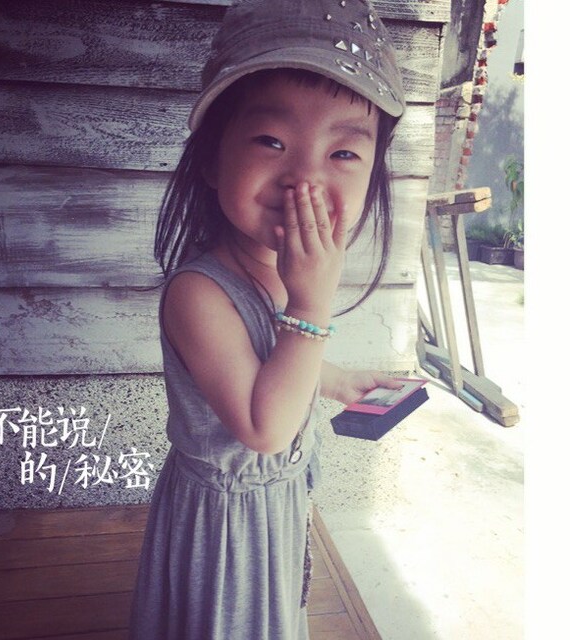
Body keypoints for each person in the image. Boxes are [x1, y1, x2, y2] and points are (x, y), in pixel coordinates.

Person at [129, 0, 406, 638]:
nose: (303, 177)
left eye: (344, 153)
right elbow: (265, 426)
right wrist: (310, 306)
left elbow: (273, 363)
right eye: (272, 141)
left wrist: (340, 380)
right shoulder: (198, 294)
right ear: (210, 158)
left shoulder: (282, 271)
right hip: (223, 528)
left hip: (276, 505)